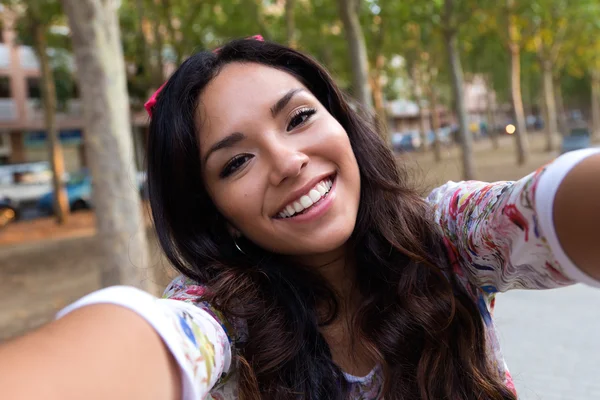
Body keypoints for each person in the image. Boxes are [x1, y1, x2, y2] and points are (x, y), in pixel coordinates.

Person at [1, 37, 599, 400]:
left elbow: (540, 211)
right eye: (237, 162)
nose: (288, 161)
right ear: (218, 215)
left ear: (342, 122)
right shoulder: (219, 318)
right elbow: (154, 342)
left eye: (298, 118)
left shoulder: (445, 234)